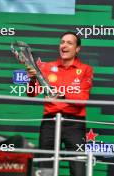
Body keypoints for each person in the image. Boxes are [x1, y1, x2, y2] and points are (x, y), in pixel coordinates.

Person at [27, 31, 93, 176]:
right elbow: (31, 93)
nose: (64, 45)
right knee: (45, 167)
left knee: (78, 168)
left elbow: (83, 99)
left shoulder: (85, 70)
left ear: (77, 49)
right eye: (62, 42)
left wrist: (62, 95)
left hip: (74, 123)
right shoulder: (46, 67)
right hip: (50, 122)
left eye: (69, 43)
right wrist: (32, 80)